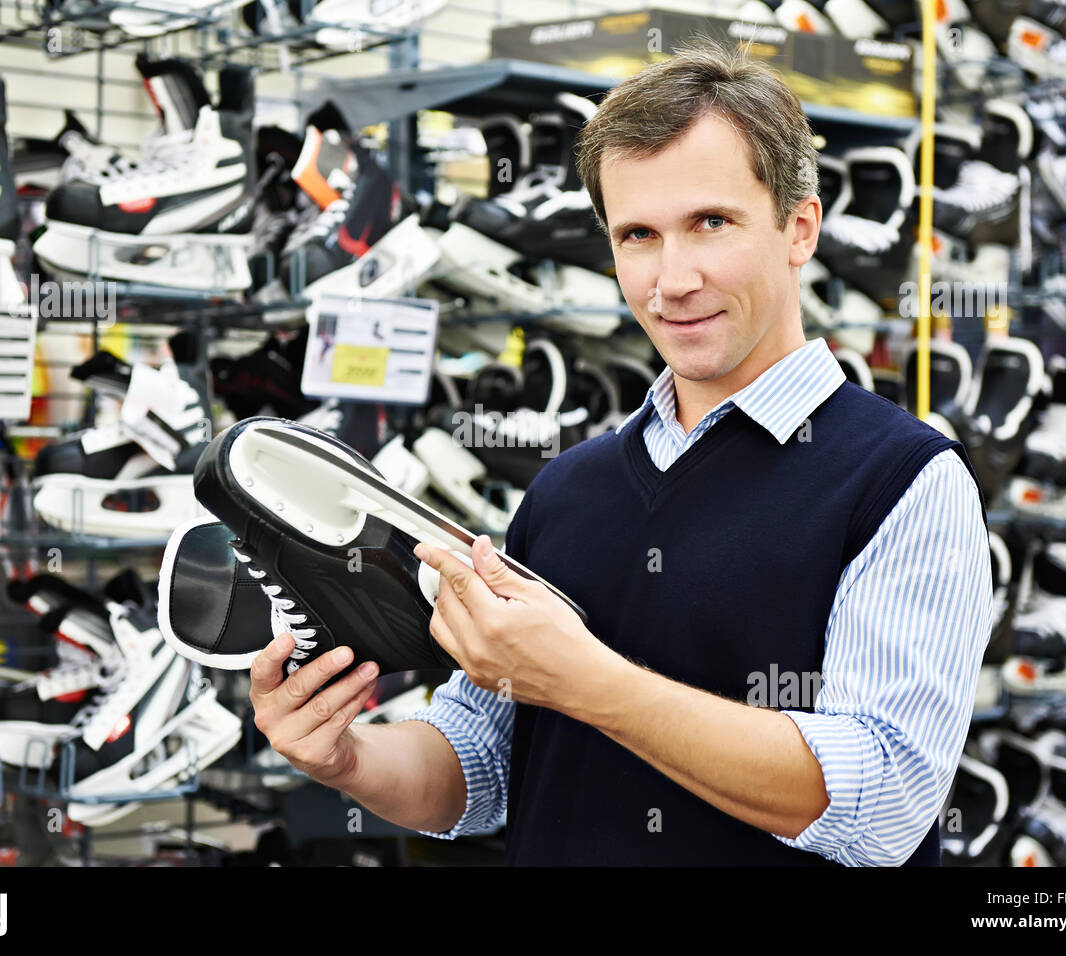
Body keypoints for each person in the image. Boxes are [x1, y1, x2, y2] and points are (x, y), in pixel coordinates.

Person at [248, 38, 992, 866]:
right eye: (638, 235)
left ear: (799, 228)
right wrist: (349, 757)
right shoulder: (568, 487)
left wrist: (589, 683)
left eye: (710, 223)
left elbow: (884, 802)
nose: (672, 279)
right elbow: (482, 762)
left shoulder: (906, 483)